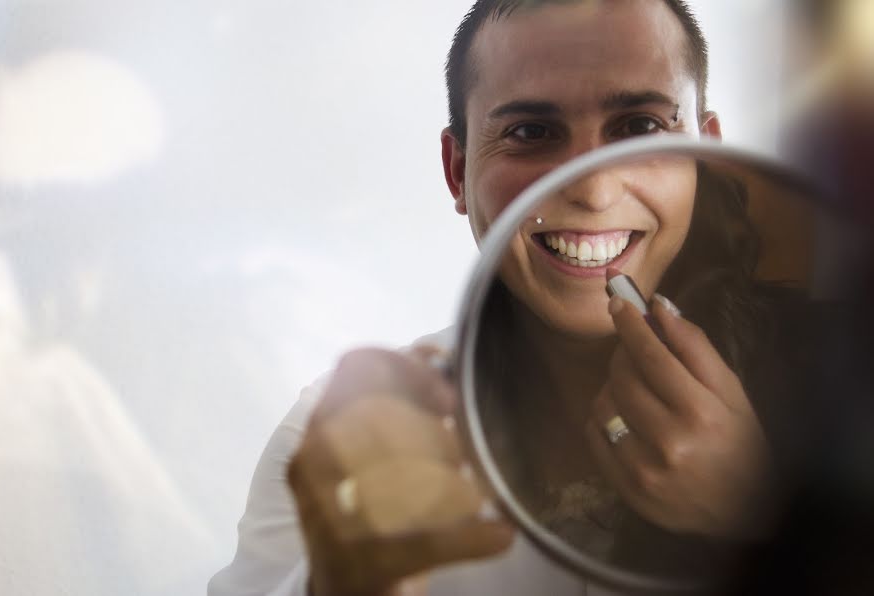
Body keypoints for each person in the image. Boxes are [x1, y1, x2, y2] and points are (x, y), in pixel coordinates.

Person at [208, 1, 778, 594]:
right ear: (457, 172)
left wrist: (759, 520)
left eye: (640, 126)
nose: (593, 187)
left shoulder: (842, 400)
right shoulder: (334, 439)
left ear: (708, 157)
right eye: (531, 133)